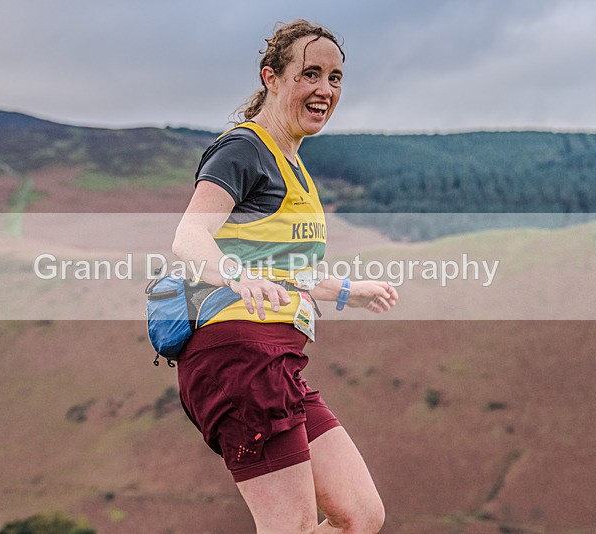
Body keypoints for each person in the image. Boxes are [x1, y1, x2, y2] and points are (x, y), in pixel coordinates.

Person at [172, 19, 398, 533]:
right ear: (271, 78)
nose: (325, 89)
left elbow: (279, 270)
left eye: (336, 77)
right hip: (239, 359)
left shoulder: (291, 161)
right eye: (310, 74)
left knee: (360, 516)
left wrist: (347, 291)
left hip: (279, 361)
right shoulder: (243, 150)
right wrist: (233, 276)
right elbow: (188, 236)